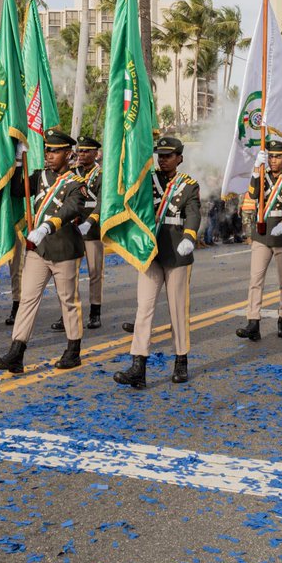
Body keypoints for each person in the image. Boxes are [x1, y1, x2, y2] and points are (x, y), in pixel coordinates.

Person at [0, 129, 88, 373]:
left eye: (55, 151)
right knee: (28, 299)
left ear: (68, 154)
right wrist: (17, 161)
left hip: (64, 249)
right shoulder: (39, 177)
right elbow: (16, 189)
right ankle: (16, 352)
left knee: (68, 300)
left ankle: (73, 350)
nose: (49, 156)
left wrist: (46, 226)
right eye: (47, 151)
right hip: (38, 250)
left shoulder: (76, 184)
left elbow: (71, 209)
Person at [114, 136, 201, 389]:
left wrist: (189, 237)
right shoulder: (146, 181)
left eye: (168, 156)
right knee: (144, 309)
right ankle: (138, 367)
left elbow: (193, 213)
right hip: (150, 253)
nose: (163, 160)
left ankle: (181, 360)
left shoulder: (188, 186)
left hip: (176, 253)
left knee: (177, 310)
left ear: (180, 158)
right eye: (160, 156)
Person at [236, 137, 282, 342]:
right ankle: (253, 322)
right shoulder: (261, 177)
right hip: (262, 234)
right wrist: (256, 170)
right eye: (271, 157)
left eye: (278, 157)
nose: (273, 160)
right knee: (255, 280)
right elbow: (253, 194)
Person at [51, 135, 104, 332]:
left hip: (92, 229)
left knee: (94, 272)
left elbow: (102, 203)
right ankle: (66, 313)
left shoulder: (102, 175)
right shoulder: (72, 173)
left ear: (96, 154)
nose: (81, 154)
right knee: (68, 274)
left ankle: (95, 312)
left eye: (86, 151)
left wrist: (90, 222)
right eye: (80, 150)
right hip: (72, 228)